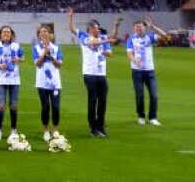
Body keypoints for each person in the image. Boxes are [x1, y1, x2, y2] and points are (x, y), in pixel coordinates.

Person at [68, 8, 121, 137]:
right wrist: (70, 17)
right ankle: (92, 127)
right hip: (89, 74)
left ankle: (101, 127)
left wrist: (115, 26)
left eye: (98, 28)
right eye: (96, 28)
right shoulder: (84, 36)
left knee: (103, 100)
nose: (98, 30)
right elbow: (74, 30)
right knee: (93, 100)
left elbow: (112, 37)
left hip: (101, 74)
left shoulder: (102, 37)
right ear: (90, 29)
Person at [127, 17, 167, 127]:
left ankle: (153, 117)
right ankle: (141, 116)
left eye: (141, 26)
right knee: (139, 95)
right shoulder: (131, 39)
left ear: (144, 27)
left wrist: (153, 26)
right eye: (137, 27)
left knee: (154, 95)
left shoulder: (150, 37)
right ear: (134, 28)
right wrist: (135, 60)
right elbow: (129, 53)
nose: (139, 28)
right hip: (137, 71)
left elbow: (165, 36)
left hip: (150, 71)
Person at [0, 25, 23, 139]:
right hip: (1, 79)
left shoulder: (17, 46)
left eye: (8, 32)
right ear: (0, 34)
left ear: (11, 34)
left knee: (13, 105)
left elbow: (22, 58)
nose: (6, 34)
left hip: (14, 79)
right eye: (4, 32)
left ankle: (13, 129)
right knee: (1, 105)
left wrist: (18, 60)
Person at [33, 23, 63, 142]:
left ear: (50, 34)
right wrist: (44, 52)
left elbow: (59, 64)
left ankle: (55, 129)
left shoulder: (56, 48)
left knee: (55, 107)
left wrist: (52, 56)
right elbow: (38, 63)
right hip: (42, 82)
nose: (44, 34)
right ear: (39, 35)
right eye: (42, 32)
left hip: (55, 82)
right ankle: (45, 130)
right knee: (45, 107)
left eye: (46, 32)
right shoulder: (36, 48)